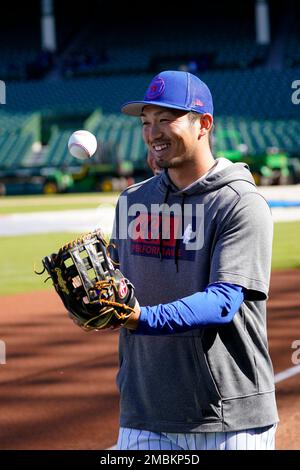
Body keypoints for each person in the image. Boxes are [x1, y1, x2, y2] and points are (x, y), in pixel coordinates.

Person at [110, 70, 278, 450]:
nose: (153, 133)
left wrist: (141, 318)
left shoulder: (239, 204)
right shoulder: (133, 202)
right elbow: (118, 284)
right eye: (146, 122)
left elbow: (223, 302)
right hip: (144, 414)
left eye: (166, 119)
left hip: (227, 421)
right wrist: (94, 303)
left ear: (204, 124)